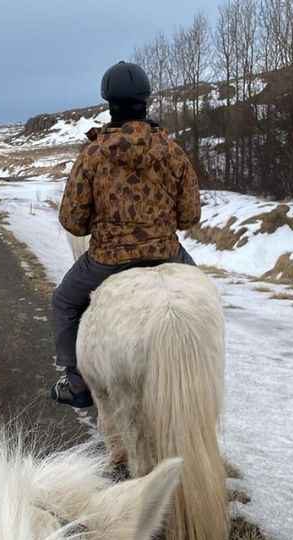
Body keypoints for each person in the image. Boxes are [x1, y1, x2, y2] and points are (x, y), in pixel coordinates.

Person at [50, 61, 200, 408]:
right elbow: (190, 215)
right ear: (146, 100)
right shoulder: (172, 151)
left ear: (108, 103)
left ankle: (75, 381)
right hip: (167, 253)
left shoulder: (92, 155)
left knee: (63, 303)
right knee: (203, 300)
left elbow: (72, 221)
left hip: (107, 260)